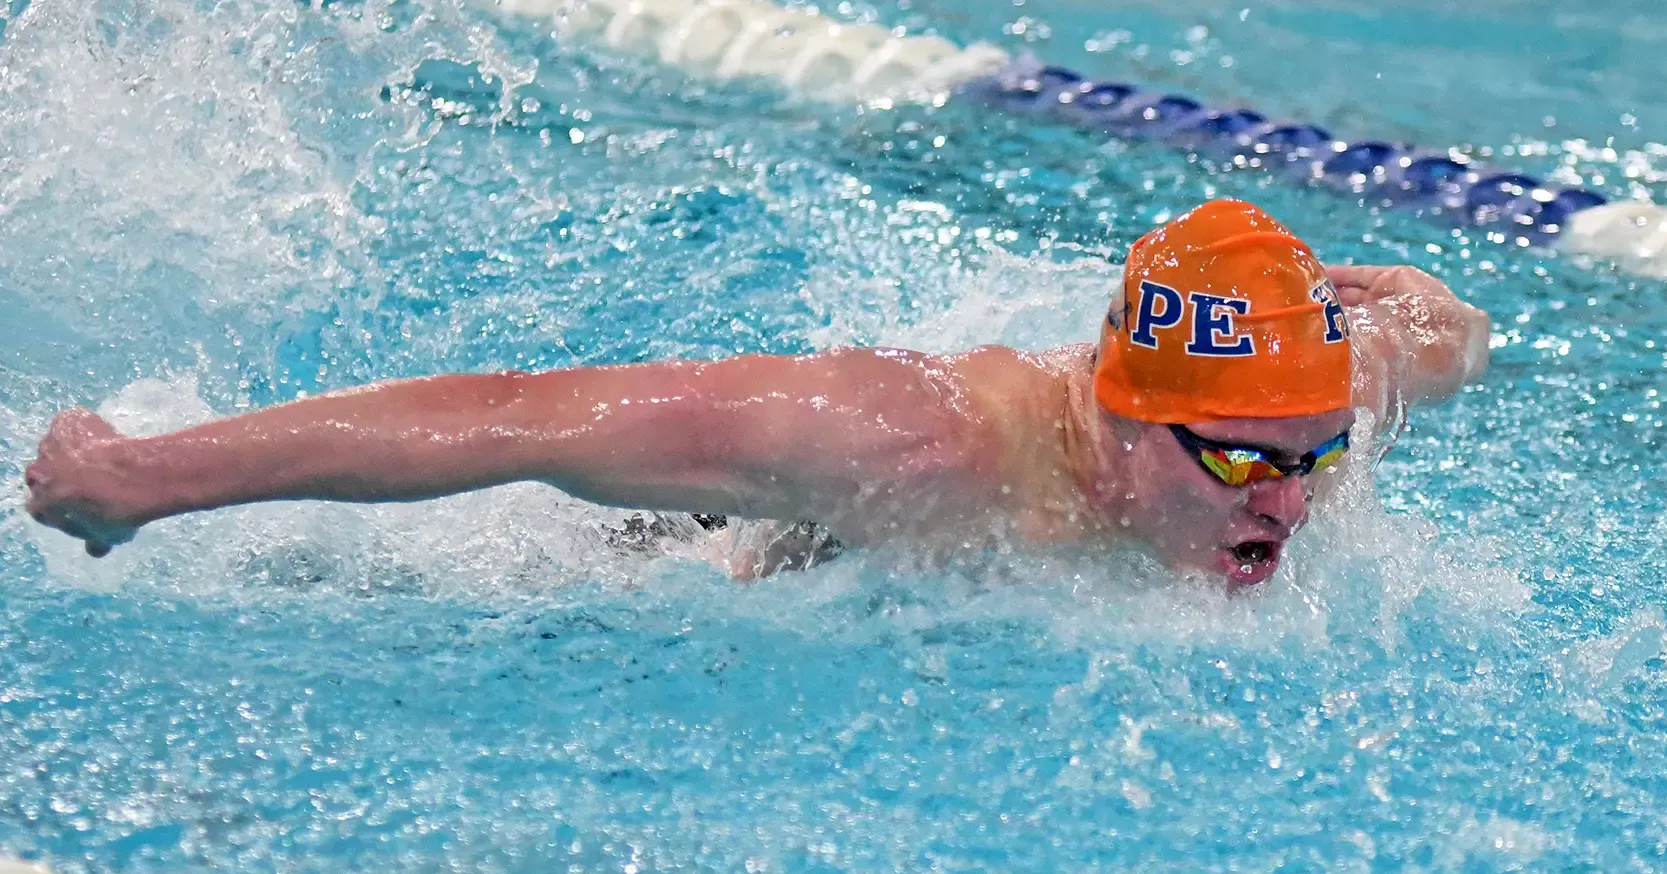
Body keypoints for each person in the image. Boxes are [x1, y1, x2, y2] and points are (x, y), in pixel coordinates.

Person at [22, 199, 1489, 589]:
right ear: (1117, 418)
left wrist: (1380, 296)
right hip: (717, 571)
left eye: (1317, 455)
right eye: (1243, 466)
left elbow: (1450, 333)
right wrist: (149, 477)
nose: (1294, 503)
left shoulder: (1298, 413)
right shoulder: (915, 444)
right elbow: (520, 416)